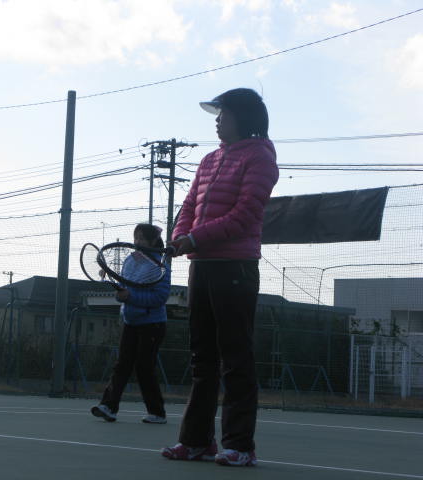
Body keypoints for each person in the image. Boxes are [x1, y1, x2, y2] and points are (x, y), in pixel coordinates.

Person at [161, 88, 279, 466]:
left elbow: (245, 214)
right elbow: (189, 205)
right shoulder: (210, 159)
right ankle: (196, 441)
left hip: (235, 267)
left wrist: (195, 238)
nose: (217, 121)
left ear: (243, 116)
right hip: (202, 266)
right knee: (203, 358)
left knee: (235, 357)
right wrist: (180, 235)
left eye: (223, 114)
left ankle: (240, 445)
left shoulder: (260, 157)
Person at [91, 223, 171, 424]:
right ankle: (108, 407)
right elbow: (123, 289)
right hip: (130, 322)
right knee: (122, 365)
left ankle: (157, 413)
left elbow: (160, 298)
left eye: (142, 238)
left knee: (144, 367)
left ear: (153, 241)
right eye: (136, 237)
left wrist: (130, 297)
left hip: (153, 324)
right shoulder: (130, 260)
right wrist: (120, 294)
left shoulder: (160, 267)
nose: (137, 241)